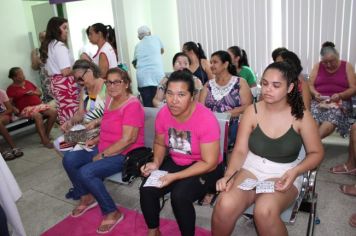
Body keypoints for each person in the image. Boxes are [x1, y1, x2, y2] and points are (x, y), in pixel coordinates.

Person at [211, 62, 324, 236]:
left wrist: (296, 171)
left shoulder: (302, 116)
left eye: (276, 85)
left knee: (264, 211)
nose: (268, 89)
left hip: (284, 171)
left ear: (290, 87)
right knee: (224, 203)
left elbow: (316, 153)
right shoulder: (252, 111)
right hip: (252, 167)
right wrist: (229, 175)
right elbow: (240, 150)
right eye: (264, 83)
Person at [140, 70, 223, 236]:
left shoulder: (205, 119)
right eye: (169, 94)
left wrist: (175, 177)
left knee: (180, 196)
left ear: (192, 96)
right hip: (177, 160)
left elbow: (210, 162)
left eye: (181, 94)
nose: (173, 101)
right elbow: (159, 142)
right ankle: (153, 231)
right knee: (147, 188)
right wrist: (156, 162)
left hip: (206, 166)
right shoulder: (163, 113)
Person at [62, 67, 144, 234]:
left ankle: (112, 212)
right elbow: (108, 128)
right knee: (69, 160)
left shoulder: (132, 105)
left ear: (126, 84)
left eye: (117, 82)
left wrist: (102, 155)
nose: (112, 86)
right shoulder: (109, 99)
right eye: (109, 82)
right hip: (103, 146)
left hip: (124, 154)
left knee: (87, 172)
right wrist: (96, 140)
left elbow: (128, 139)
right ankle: (86, 195)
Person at [199, 50, 252, 149]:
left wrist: (223, 116)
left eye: (215, 62)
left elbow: (248, 107)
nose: (211, 65)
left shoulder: (240, 82)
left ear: (226, 64)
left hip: (234, 128)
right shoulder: (208, 84)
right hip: (210, 126)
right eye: (211, 62)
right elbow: (200, 108)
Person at [308, 41, 356, 138]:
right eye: (325, 62)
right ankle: (312, 145)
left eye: (332, 61)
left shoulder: (347, 66)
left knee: (333, 115)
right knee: (312, 116)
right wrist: (315, 93)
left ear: (337, 56)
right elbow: (310, 85)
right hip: (320, 101)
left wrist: (340, 95)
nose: (328, 65)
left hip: (341, 102)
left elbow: (353, 88)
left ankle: (313, 143)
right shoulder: (318, 66)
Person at [40, 17, 79, 124]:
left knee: (64, 113)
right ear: (56, 29)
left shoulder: (50, 45)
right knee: (72, 115)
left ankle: (70, 139)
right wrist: (78, 66)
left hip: (57, 83)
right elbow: (65, 71)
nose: (67, 31)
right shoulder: (59, 46)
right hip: (65, 84)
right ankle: (76, 138)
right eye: (64, 27)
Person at [7, 67, 57, 148]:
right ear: (14, 78)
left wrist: (33, 93)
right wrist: (14, 109)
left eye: (22, 73)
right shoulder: (11, 89)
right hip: (25, 109)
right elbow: (8, 103)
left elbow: (39, 93)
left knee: (54, 112)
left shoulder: (28, 83)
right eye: (20, 74)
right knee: (38, 116)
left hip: (38, 105)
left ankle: (46, 135)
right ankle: (45, 141)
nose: (23, 76)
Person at [60, 59, 106, 133]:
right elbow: (80, 114)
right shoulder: (84, 90)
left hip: (106, 129)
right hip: (90, 130)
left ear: (90, 72)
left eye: (80, 78)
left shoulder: (108, 87)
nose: (79, 82)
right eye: (76, 80)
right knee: (60, 142)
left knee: (68, 141)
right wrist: (70, 122)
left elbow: (115, 114)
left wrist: (96, 122)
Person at [133, 25, 164, 107]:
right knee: (159, 104)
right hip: (157, 77)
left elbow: (134, 63)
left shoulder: (137, 46)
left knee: (148, 106)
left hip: (143, 78)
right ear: (150, 33)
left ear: (139, 37)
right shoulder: (156, 38)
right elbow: (162, 50)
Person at [0, 89, 23, 161]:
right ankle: (3, 151)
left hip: (4, 115)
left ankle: (13, 148)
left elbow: (9, 109)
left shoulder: (1, 92)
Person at [31, 31, 53, 103]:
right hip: (45, 79)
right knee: (49, 100)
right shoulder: (36, 51)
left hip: (55, 77)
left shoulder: (54, 48)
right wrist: (36, 58)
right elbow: (34, 67)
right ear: (39, 39)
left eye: (45, 37)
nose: (44, 39)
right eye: (41, 37)